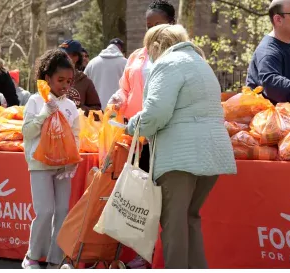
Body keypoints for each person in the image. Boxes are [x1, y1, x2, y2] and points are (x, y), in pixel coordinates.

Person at [126, 24, 236, 269]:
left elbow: (156, 113)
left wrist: (130, 126)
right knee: (190, 219)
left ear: (156, 46)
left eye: (148, 50)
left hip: (179, 157)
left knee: (175, 226)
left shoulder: (167, 63)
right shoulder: (200, 63)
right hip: (211, 154)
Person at [107, 0, 177, 268]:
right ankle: (141, 255)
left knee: (163, 199)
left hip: (166, 137)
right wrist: (117, 98)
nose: (152, 31)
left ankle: (157, 255)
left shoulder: (178, 56)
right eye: (148, 26)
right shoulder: (137, 56)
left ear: (172, 24)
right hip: (138, 137)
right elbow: (125, 89)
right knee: (141, 195)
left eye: (158, 25)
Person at [21, 49, 80, 269]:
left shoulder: (71, 106)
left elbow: (75, 135)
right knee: (45, 211)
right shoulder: (35, 101)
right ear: (47, 78)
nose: (65, 85)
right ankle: (32, 257)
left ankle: (57, 260)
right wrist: (45, 112)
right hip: (40, 165)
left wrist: (73, 159)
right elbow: (27, 132)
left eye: (69, 81)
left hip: (64, 165)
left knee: (63, 211)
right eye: (60, 80)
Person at [59, 40, 102, 112]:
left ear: (76, 57)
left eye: (65, 55)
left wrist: (80, 109)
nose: (60, 58)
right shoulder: (52, 78)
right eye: (59, 55)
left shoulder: (85, 82)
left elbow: (97, 111)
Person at [84, 38, 127, 109]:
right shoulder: (126, 63)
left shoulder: (92, 63)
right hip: (117, 109)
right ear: (121, 50)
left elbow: (84, 84)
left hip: (96, 109)